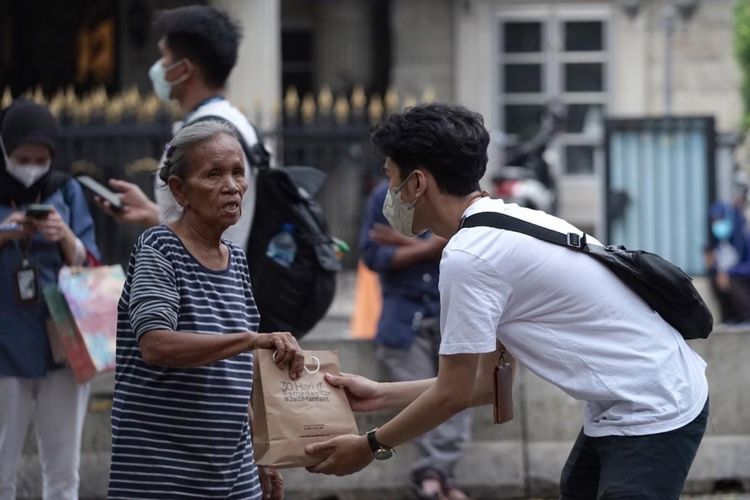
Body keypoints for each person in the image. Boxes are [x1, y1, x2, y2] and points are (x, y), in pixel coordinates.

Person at [304, 103, 709, 499]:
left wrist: (368, 446)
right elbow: (483, 387)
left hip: (654, 405)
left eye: (391, 180)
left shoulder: (470, 257)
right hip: (632, 396)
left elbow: (454, 394)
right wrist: (380, 394)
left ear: (417, 184)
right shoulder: (507, 222)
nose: (388, 194)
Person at [107, 120, 302, 500]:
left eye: (237, 173)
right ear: (180, 190)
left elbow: (235, 376)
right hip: (163, 471)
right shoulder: (160, 250)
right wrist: (252, 340)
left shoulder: (238, 262)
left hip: (233, 468)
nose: (231, 185)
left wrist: (260, 451)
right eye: (213, 174)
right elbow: (156, 345)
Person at [98, 5, 261, 252]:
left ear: (183, 70)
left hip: (202, 286)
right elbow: (209, 223)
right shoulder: (237, 124)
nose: (158, 67)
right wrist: (152, 213)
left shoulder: (202, 138)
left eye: (164, 57)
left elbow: (209, 240)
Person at [0, 99, 100, 500]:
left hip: (64, 342)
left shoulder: (66, 189)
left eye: (41, 158)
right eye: (22, 157)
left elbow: (90, 262)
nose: (31, 166)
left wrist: (65, 238)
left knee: (63, 471)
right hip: (5, 345)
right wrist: (7, 233)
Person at [359, 180, 472, 500]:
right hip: (402, 317)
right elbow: (373, 254)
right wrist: (430, 246)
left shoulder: (455, 193)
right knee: (421, 397)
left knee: (458, 394)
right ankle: (436, 477)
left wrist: (407, 244)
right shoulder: (383, 195)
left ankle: (435, 476)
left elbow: (464, 245)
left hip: (451, 312)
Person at [705, 184, 750, 324]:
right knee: (716, 279)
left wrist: (729, 272)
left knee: (730, 280)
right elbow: (715, 265)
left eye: (720, 219)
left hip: (742, 280)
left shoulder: (743, 238)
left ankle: (745, 317)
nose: (718, 224)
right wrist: (713, 266)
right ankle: (728, 318)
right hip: (727, 279)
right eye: (715, 221)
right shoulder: (718, 243)